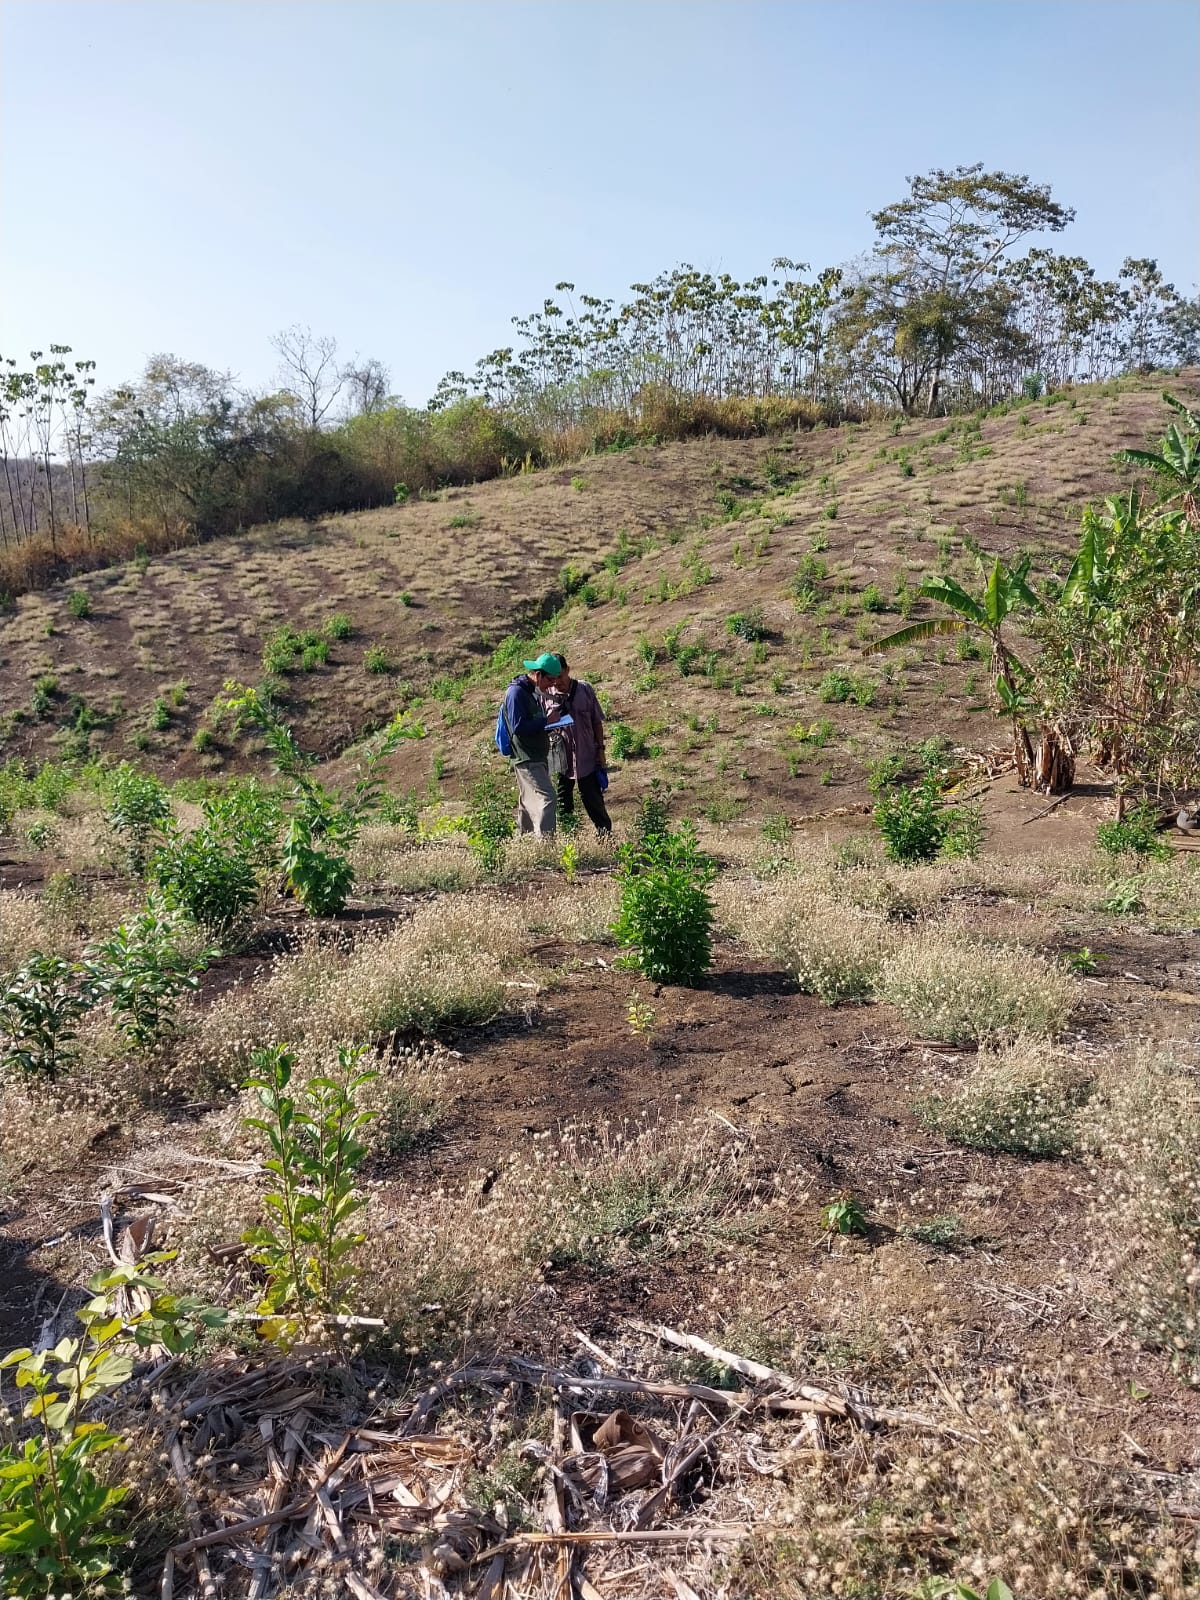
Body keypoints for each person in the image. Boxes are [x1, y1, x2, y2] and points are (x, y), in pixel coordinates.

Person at [543, 653, 612, 835]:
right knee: (563, 804)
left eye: (560, 676)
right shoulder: (546, 695)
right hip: (560, 761)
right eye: (553, 678)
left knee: (594, 802)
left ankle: (606, 838)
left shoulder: (584, 689)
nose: (557, 682)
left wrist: (601, 750)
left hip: (587, 758)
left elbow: (597, 722)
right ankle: (569, 838)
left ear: (568, 670)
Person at [499, 653, 566, 836]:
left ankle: (524, 840)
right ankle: (545, 845)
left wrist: (548, 725)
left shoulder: (530, 691)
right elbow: (518, 726)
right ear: (538, 674)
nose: (552, 685)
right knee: (548, 798)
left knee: (527, 801)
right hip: (526, 757)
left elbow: (531, 723)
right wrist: (546, 721)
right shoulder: (516, 693)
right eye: (550, 680)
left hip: (535, 755)